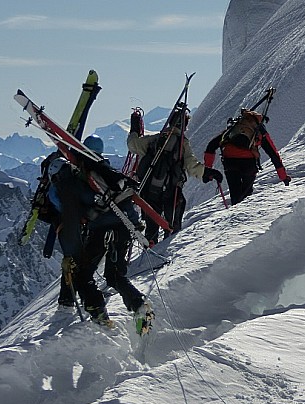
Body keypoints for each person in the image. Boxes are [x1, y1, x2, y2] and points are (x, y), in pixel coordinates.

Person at [49, 145, 149, 330]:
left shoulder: (68, 186)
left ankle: (98, 313)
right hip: (124, 225)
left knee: (82, 273)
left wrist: (70, 256)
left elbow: (72, 221)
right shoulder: (93, 175)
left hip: (101, 230)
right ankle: (139, 306)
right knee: (114, 275)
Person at [126, 107, 223, 244]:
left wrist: (135, 128)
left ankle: (150, 248)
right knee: (172, 224)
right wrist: (208, 173)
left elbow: (132, 145)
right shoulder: (182, 143)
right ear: (184, 126)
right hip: (171, 191)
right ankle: (168, 249)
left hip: (149, 191)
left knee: (151, 223)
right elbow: (192, 165)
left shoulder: (155, 139)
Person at [204, 108, 290, 205]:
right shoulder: (259, 132)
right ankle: (243, 214)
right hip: (248, 164)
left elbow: (211, 146)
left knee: (235, 193)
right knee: (246, 195)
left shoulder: (233, 129)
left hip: (229, 162)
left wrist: (208, 169)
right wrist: (283, 177)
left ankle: (235, 213)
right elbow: (273, 155)